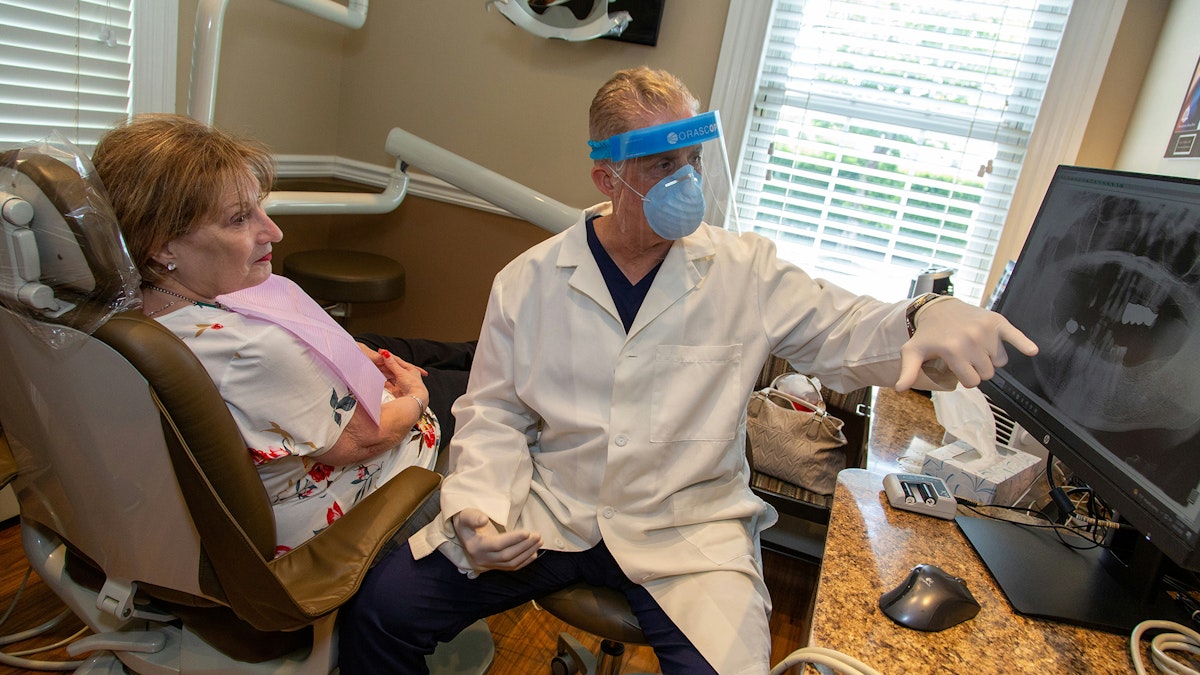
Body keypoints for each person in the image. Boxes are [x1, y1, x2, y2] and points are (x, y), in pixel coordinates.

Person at [337, 67, 1039, 674]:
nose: (686, 182)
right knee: (380, 612)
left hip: (689, 531)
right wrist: (477, 509)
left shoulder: (746, 272)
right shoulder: (529, 281)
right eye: (660, 168)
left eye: (693, 161)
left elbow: (848, 328)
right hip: (554, 508)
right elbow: (494, 412)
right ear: (605, 176)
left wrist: (926, 315)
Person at [91, 114, 474, 554]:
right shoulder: (256, 350)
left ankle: (476, 349)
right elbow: (363, 438)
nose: (273, 231)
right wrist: (415, 396)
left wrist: (343, 352)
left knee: (389, 345)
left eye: (259, 207)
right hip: (354, 475)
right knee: (457, 382)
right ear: (161, 245)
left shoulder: (127, 303)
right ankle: (498, 362)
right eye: (238, 219)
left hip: (294, 401)